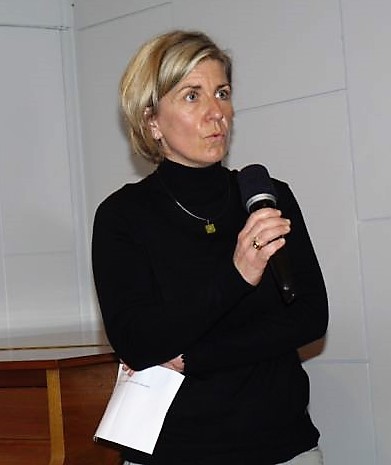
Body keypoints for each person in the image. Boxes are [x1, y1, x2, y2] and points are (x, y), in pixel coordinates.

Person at [92, 30, 328, 465]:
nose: (216, 112)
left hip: (282, 445)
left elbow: (310, 317)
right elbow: (139, 342)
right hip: (176, 450)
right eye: (191, 96)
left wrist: (195, 357)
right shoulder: (122, 216)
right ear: (151, 121)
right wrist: (237, 276)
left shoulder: (267, 197)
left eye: (222, 93)